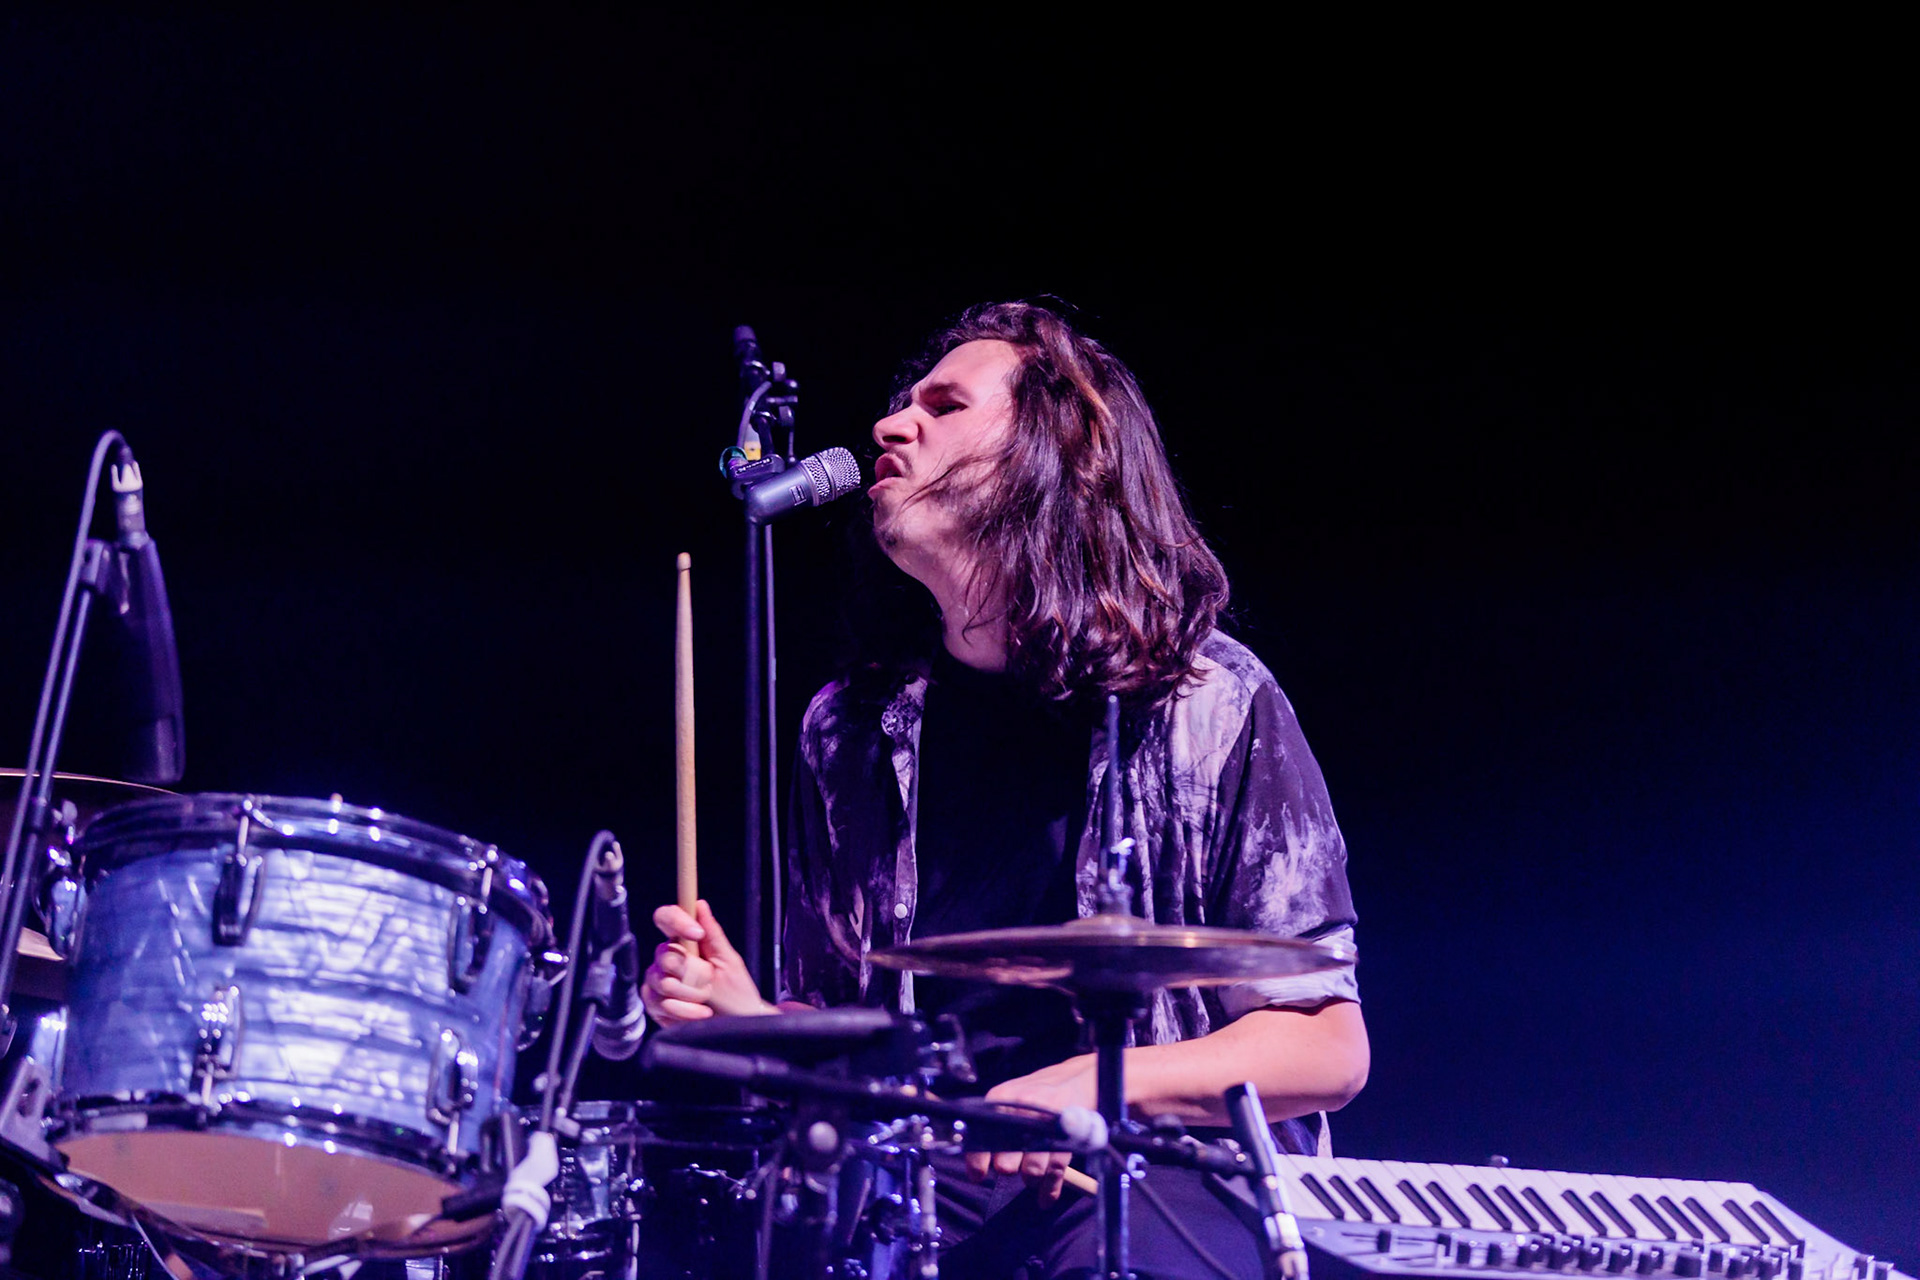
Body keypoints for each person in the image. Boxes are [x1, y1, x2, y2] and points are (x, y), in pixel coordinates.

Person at [643, 302, 1368, 1279]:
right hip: (927, 1193)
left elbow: (1325, 1046)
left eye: (944, 406)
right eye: (902, 406)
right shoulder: (847, 734)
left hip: (1156, 1183)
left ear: (1051, 457)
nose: (892, 426)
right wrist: (752, 1018)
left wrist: (1089, 1085)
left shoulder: (1210, 700)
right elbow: (853, 1077)